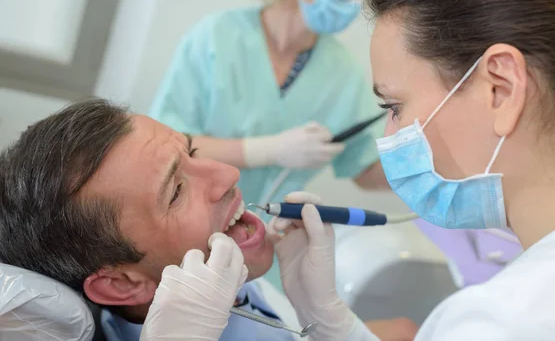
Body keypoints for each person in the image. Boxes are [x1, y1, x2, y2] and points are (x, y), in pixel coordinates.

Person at [267, 0, 555, 339]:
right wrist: (330, 321)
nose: (388, 138)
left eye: (393, 106)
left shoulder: (503, 321)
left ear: (502, 89)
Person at [0, 100, 417, 341]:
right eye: (176, 191)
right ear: (122, 283)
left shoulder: (231, 294)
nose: (227, 174)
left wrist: (329, 320)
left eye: (192, 155)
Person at [149, 0, 391, 207]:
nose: (354, 1)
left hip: (264, 237)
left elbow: (365, 168)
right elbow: (167, 145)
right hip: (187, 222)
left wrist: (433, 165)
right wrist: (268, 151)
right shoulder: (216, 38)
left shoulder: (344, 73)